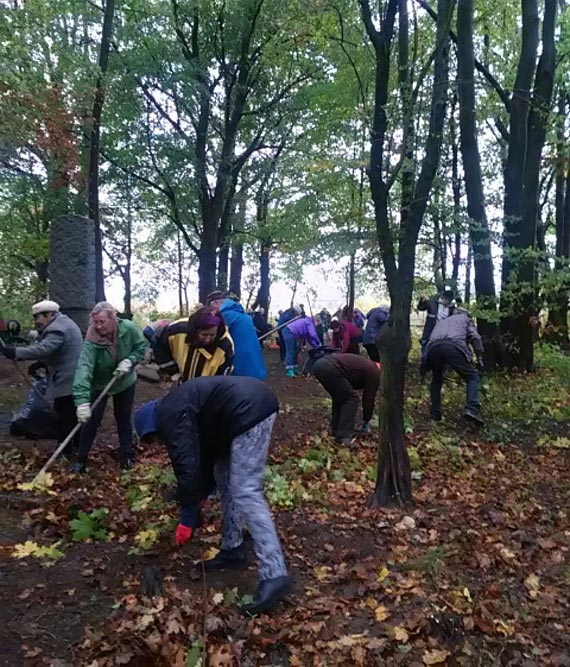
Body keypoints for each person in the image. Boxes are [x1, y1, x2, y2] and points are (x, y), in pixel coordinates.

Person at [133, 376, 291, 614]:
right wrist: (203, 493)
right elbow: (202, 460)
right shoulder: (178, 409)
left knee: (245, 489)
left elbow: (186, 467)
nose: (156, 444)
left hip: (249, 409)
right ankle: (232, 548)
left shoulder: (170, 416)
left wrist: (187, 519)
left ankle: (275, 573)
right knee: (224, 477)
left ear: (150, 427)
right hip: (239, 414)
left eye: (152, 440)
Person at [70, 302, 147, 473]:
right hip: (99, 383)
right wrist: (82, 402)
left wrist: (130, 360)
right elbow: (84, 368)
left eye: (102, 322)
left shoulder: (129, 329)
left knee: (123, 417)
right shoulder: (91, 340)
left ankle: (126, 456)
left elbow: (140, 347)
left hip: (124, 380)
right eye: (95, 322)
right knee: (90, 421)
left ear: (113, 319)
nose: (98, 326)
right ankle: (81, 460)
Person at [0, 300, 83, 457]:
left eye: (40, 317)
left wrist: (15, 352)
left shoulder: (58, 328)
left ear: (50, 314)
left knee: (65, 414)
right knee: (69, 414)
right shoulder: (64, 322)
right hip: (71, 375)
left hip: (68, 378)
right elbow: (58, 351)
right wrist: (41, 363)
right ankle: (74, 447)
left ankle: (68, 451)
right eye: (35, 318)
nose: (37, 322)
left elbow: (44, 349)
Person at [425, 310, 484, 425]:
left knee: (436, 379)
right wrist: (479, 356)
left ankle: (435, 413)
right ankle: (472, 409)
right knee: (472, 376)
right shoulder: (465, 319)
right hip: (453, 346)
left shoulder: (442, 321)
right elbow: (475, 337)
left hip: (432, 348)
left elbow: (430, 338)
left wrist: (424, 363)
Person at [312, 353, 380, 444]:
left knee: (340, 398)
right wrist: (367, 419)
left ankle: (335, 431)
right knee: (351, 399)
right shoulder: (375, 372)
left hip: (320, 365)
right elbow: (368, 398)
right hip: (329, 367)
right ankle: (344, 436)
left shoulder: (368, 366)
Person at [152, 307, 234, 381]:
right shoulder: (176, 329)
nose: (207, 339)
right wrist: (172, 372)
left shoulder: (225, 345)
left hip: (205, 389)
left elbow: (222, 377)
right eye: (204, 335)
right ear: (195, 331)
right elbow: (158, 342)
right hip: (179, 382)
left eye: (212, 335)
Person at [214, 297, 267, 380]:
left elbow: (219, 337)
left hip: (238, 355)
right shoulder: (245, 316)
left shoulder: (225, 316)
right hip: (253, 353)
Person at [418, 288, 456, 371]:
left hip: (443, 336)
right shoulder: (432, 302)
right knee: (424, 355)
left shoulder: (451, 308)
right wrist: (422, 300)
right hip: (429, 333)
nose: (448, 303)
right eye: (448, 301)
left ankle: (438, 373)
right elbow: (420, 307)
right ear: (444, 298)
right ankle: (423, 372)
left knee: (442, 357)